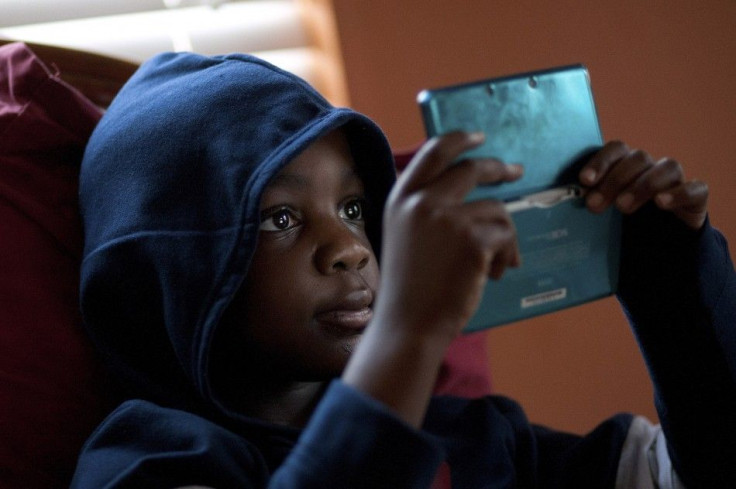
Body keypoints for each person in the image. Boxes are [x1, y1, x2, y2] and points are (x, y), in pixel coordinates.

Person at [70, 52, 735, 489]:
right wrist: (408, 332)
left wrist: (673, 294)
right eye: (279, 218)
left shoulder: (472, 434)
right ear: (164, 272)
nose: (350, 248)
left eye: (355, 207)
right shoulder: (149, 461)